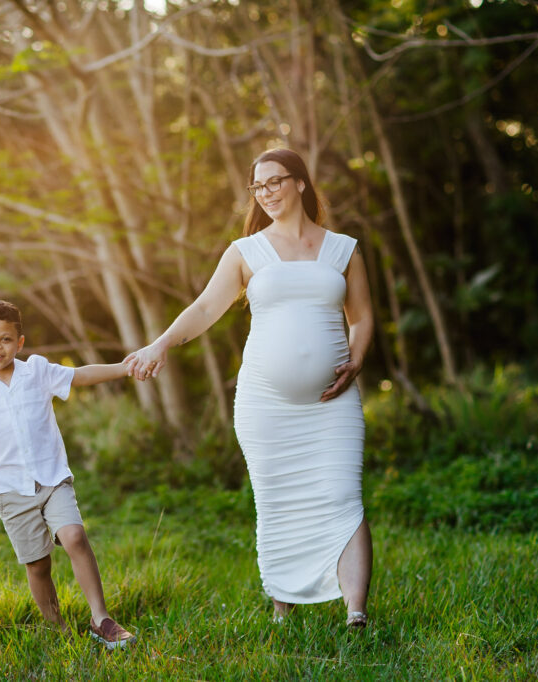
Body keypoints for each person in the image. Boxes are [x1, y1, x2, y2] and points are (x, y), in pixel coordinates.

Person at [125, 148, 374, 628]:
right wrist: (160, 345)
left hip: (333, 402)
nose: (267, 193)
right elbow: (202, 310)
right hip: (266, 404)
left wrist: (357, 358)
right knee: (276, 501)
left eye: (276, 181)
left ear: (300, 183)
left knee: (344, 496)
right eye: (258, 187)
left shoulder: (343, 248)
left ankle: (355, 612)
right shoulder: (246, 251)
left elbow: (361, 316)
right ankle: (283, 610)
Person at [0, 300, 136, 648]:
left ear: (19, 343)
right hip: (10, 489)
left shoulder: (36, 371)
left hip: (51, 478)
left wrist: (126, 367)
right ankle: (58, 629)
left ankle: (101, 620)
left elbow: (81, 375)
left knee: (76, 538)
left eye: (5, 339)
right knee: (38, 565)